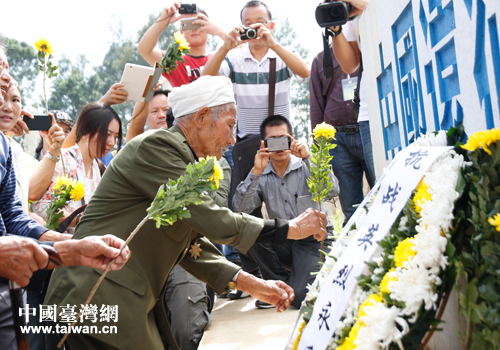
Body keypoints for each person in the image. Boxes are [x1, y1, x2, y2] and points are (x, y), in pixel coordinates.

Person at [44, 75, 328, 350]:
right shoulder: (157, 147)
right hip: (96, 297)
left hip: (115, 298)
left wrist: (252, 283)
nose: (232, 140)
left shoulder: (184, 161)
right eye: (230, 126)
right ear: (202, 117)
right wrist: (289, 228)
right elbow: (212, 219)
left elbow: (193, 247)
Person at [0, 45, 131, 350]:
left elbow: (13, 218)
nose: (5, 78)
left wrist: (71, 247)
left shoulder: (6, 149)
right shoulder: (57, 158)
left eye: (6, 69)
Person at [233, 115, 339, 308]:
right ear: (264, 143)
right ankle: (278, 287)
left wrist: (309, 157)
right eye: (273, 141)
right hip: (285, 239)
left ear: (292, 138)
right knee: (251, 228)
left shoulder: (306, 163)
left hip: (313, 240)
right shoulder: (261, 172)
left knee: (301, 298)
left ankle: (292, 287)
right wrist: (256, 171)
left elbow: (333, 190)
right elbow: (240, 208)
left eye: (283, 139)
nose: (279, 146)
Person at [202, 0, 310, 139]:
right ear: (241, 27)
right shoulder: (234, 57)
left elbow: (305, 72)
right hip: (246, 140)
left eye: (260, 22)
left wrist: (273, 45)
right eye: (248, 24)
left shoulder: (283, 53)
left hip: (280, 139)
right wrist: (224, 48)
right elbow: (206, 78)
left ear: (271, 26)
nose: (253, 28)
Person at [30, 102, 122, 232]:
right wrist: (81, 220)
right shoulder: (62, 159)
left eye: (116, 137)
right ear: (85, 131)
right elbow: (43, 208)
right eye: (107, 134)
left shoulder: (98, 168)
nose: (112, 142)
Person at [310, 47, 372, 222]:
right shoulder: (320, 60)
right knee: (351, 208)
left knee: (382, 194)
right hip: (338, 141)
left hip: (369, 132)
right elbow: (316, 103)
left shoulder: (366, 47)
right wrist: (319, 144)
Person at [328, 0, 375, 186]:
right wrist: (336, 29)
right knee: (386, 185)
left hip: (412, 88)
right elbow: (350, 64)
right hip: (371, 109)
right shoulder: (353, 14)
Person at [138, 2, 226, 86]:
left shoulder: (221, 57)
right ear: (181, 31)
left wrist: (218, 32)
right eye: (188, 25)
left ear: (209, 27)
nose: (194, 30)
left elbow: (239, 50)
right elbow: (145, 50)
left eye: (198, 23)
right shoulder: (173, 60)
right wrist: (163, 21)